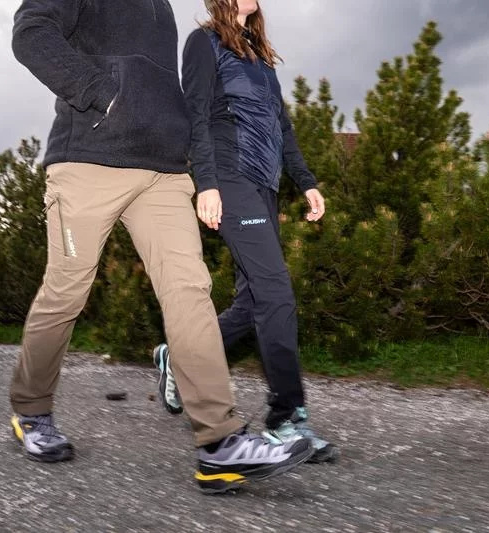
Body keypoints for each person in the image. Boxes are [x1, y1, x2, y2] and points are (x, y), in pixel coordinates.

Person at [7, 0, 313, 494]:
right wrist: (100, 93)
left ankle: (219, 443)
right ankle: (32, 410)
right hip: (89, 161)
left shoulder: (163, 7)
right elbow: (31, 31)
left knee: (189, 290)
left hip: (164, 172)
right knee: (66, 292)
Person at [153, 0, 337, 463]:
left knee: (255, 299)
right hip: (229, 175)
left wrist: (307, 181)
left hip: (264, 183)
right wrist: (207, 183)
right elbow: (195, 115)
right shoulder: (203, 42)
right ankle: (285, 418)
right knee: (276, 293)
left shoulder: (259, 52)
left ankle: (180, 357)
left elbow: (282, 126)